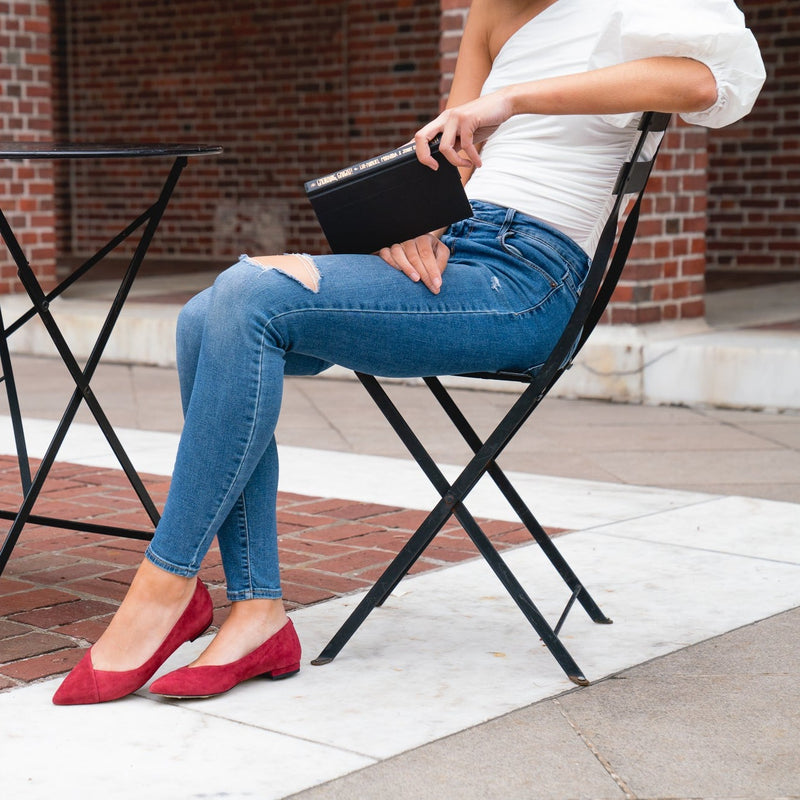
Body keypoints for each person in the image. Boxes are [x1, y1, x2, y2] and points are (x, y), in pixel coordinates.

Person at [53, 0, 764, 704]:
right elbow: (451, 162)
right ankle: (257, 611)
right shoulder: (491, 11)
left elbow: (700, 83)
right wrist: (418, 221)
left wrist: (510, 100)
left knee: (246, 291)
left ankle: (166, 585)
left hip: (528, 280)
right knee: (204, 317)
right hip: (459, 253)